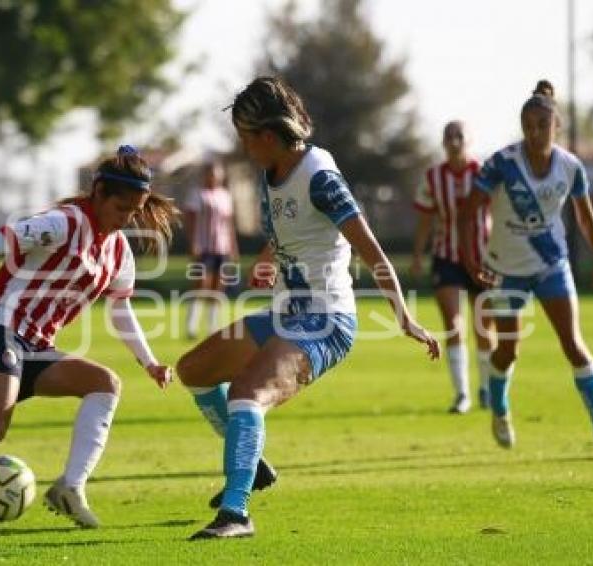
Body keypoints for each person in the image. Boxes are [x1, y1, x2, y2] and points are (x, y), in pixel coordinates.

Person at [176, 77, 441, 540]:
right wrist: (264, 261)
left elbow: (372, 250)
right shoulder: (269, 173)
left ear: (269, 135)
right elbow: (283, 234)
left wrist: (405, 315)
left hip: (327, 321)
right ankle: (252, 467)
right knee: (194, 369)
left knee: (246, 393)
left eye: (245, 136)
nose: (243, 147)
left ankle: (236, 512)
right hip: (286, 312)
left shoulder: (320, 176)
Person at [0, 146, 180, 535]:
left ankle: (70, 488)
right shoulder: (63, 223)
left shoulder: (119, 251)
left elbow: (119, 308)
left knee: (104, 383)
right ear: (100, 192)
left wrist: (150, 361)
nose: (126, 220)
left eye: (134, 212)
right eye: (121, 208)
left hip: (35, 345)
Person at [461, 80, 593, 458]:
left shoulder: (571, 167)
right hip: (506, 271)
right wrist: (472, 259)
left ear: (557, 127)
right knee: (507, 351)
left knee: (574, 345)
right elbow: (469, 211)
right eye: (528, 125)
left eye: (542, 124)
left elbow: (585, 218)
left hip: (551, 265)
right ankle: (500, 410)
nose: (535, 132)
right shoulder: (502, 164)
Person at [412, 121, 495, 413]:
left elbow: (497, 211)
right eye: (449, 136)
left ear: (469, 139)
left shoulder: (484, 172)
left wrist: (502, 251)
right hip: (446, 256)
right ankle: (462, 394)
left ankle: (486, 388)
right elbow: (425, 219)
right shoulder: (433, 177)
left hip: (483, 257)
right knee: (453, 324)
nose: (454, 141)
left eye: (459, 135)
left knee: (485, 326)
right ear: (443, 141)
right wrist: (418, 255)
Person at [183, 160, 239, 339]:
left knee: (218, 288)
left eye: (217, 174)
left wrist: (233, 246)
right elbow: (190, 220)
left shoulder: (225, 196)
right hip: (204, 247)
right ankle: (191, 326)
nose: (214, 177)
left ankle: (212, 327)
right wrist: (193, 243)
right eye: (211, 173)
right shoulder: (197, 194)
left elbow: (229, 224)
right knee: (201, 286)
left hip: (221, 247)